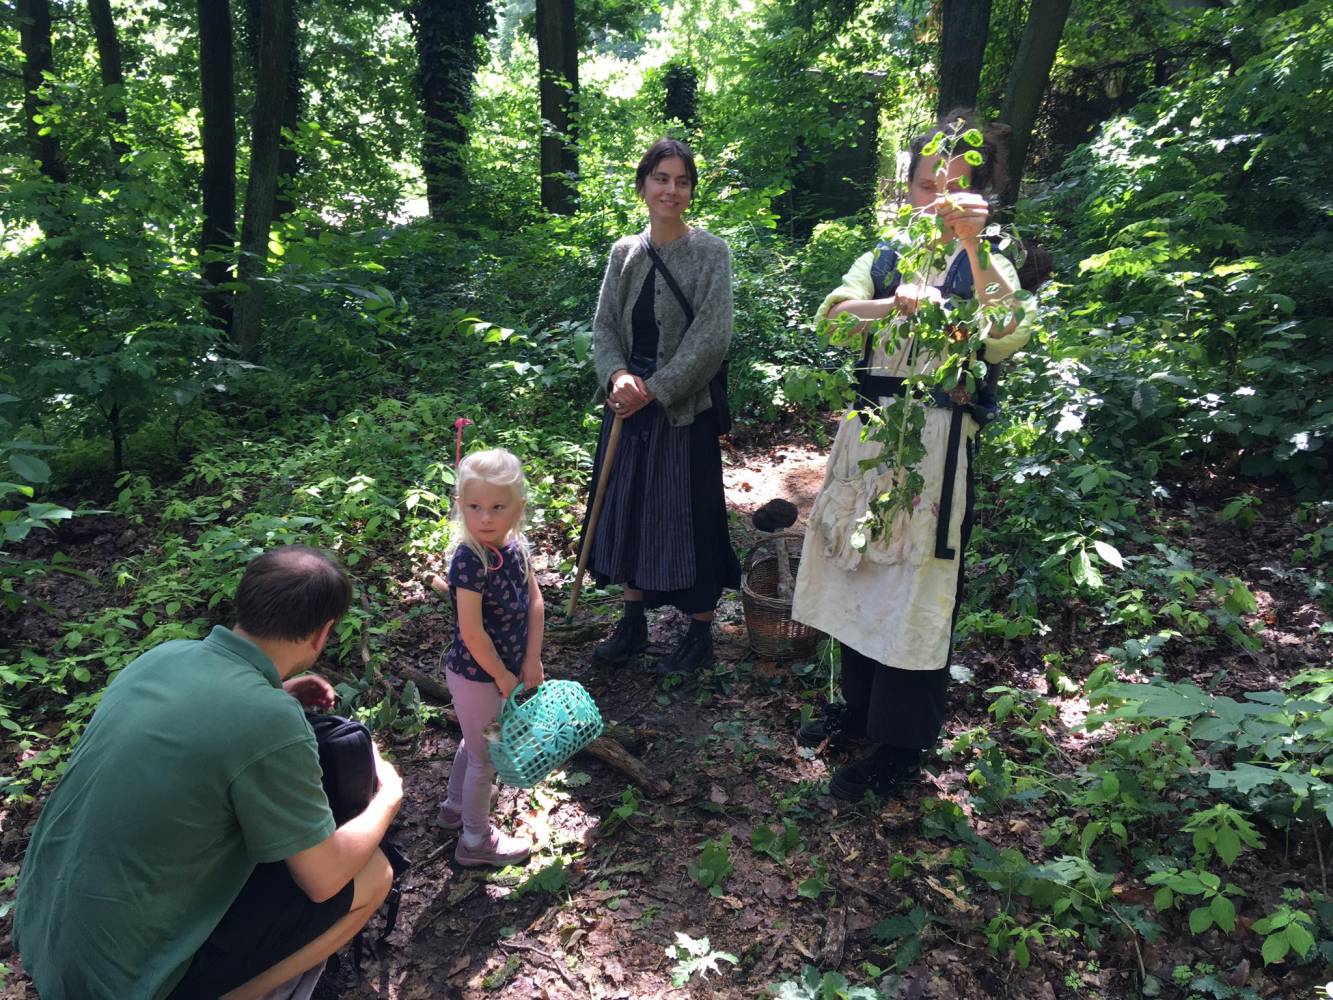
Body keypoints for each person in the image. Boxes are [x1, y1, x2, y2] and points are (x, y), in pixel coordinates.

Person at [14, 545, 402, 1000]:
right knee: (374, 874)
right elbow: (324, 879)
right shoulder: (268, 722)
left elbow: (197, 728)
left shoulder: (164, 657)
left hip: (49, 939)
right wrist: (388, 798)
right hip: (124, 984)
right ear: (323, 632)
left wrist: (272, 692)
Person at [791, 111, 1034, 800]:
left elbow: (1006, 333)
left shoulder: (989, 263)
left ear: (979, 194)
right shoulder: (884, 257)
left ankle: (899, 747)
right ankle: (858, 711)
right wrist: (891, 306)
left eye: (956, 187)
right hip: (870, 437)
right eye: (928, 185)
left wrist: (974, 247)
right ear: (909, 189)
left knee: (915, 588)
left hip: (935, 446)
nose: (939, 200)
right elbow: (832, 318)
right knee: (859, 568)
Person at [582, 137, 741, 675]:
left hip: (681, 408)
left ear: (691, 191)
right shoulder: (624, 253)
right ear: (643, 185)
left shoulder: (711, 253)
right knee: (626, 509)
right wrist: (618, 376)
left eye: (682, 181)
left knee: (688, 517)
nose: (672, 190)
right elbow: (605, 326)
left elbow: (712, 337)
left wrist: (654, 387)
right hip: (626, 406)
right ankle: (631, 625)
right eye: (662, 178)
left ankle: (699, 632)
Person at [436, 448, 543, 868]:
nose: (485, 518)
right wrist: (501, 675)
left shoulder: (516, 546)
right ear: (460, 504)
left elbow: (535, 602)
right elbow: (472, 632)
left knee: (476, 740)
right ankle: (475, 840)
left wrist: (531, 658)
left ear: (519, 507)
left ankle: (455, 807)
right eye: (475, 507)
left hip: (503, 674)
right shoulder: (469, 560)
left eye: (498, 507)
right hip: (476, 677)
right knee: (487, 755)